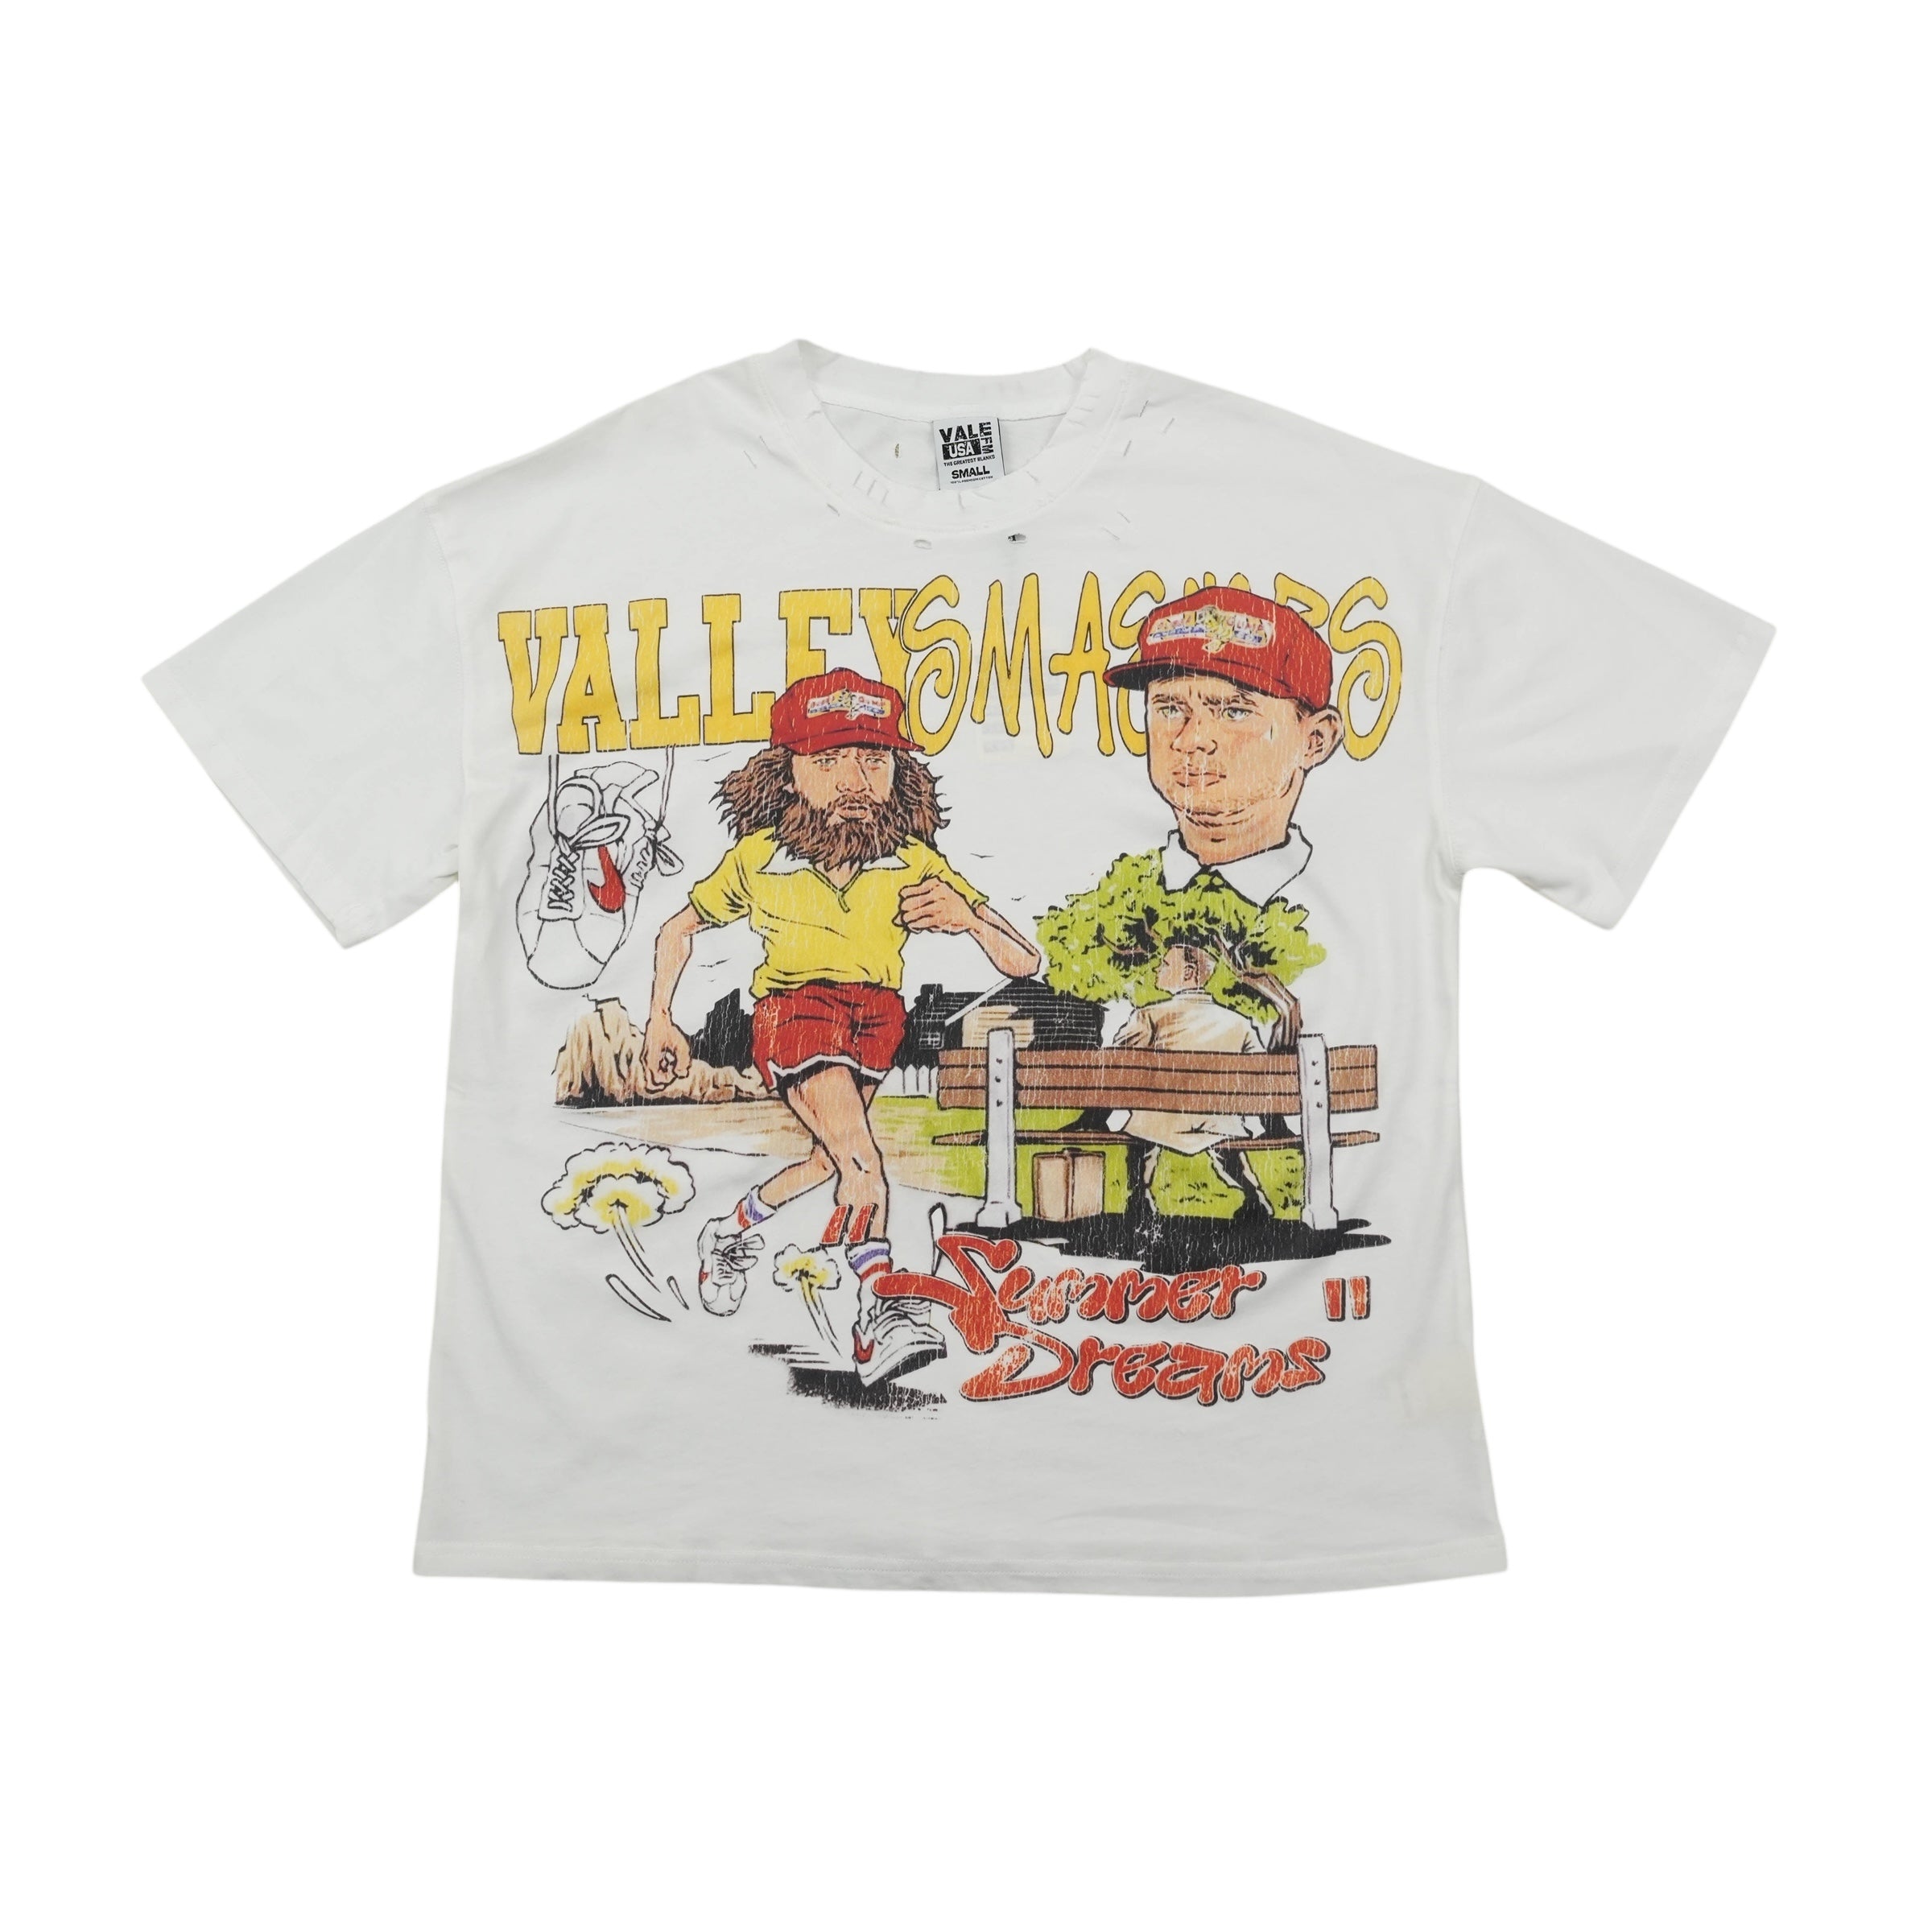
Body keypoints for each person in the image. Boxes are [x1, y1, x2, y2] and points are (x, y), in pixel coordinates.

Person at [639, 669, 1040, 1387]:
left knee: (831, 1162)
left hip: (877, 1021)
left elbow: (1024, 961)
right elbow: (678, 928)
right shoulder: (761, 859)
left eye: (873, 759)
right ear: (787, 772)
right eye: (829, 761)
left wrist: (968, 920)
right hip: (795, 1013)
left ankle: (728, 1233)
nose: (854, 781)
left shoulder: (911, 861)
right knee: (863, 1165)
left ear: (899, 772)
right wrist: (660, 1020)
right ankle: (879, 1313)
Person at [1103, 584, 1343, 938]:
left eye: (1234, 711)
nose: (1190, 740)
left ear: (1314, 741)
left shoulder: (1344, 909)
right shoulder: (1109, 906)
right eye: (1169, 708)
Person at [1106, 941, 1273, 1229]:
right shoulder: (1238, 1023)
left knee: (1145, 1123)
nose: (1158, 969)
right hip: (1219, 1120)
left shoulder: (1150, 1016)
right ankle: (1254, 1197)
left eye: (1165, 965)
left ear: (1188, 973)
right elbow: (1261, 1073)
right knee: (1223, 1128)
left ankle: (1139, 1197)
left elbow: (1119, 1059)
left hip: (1161, 1120)